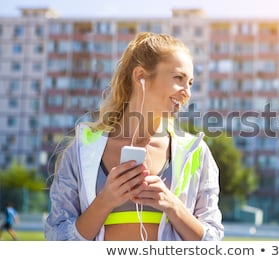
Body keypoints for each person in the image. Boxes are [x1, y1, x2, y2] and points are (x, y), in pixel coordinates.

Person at [44, 32, 224, 241]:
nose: (187, 92)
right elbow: (57, 238)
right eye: (179, 78)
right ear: (141, 77)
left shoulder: (196, 154)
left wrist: (173, 206)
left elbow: (213, 243)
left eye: (190, 83)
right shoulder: (81, 151)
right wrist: (106, 200)